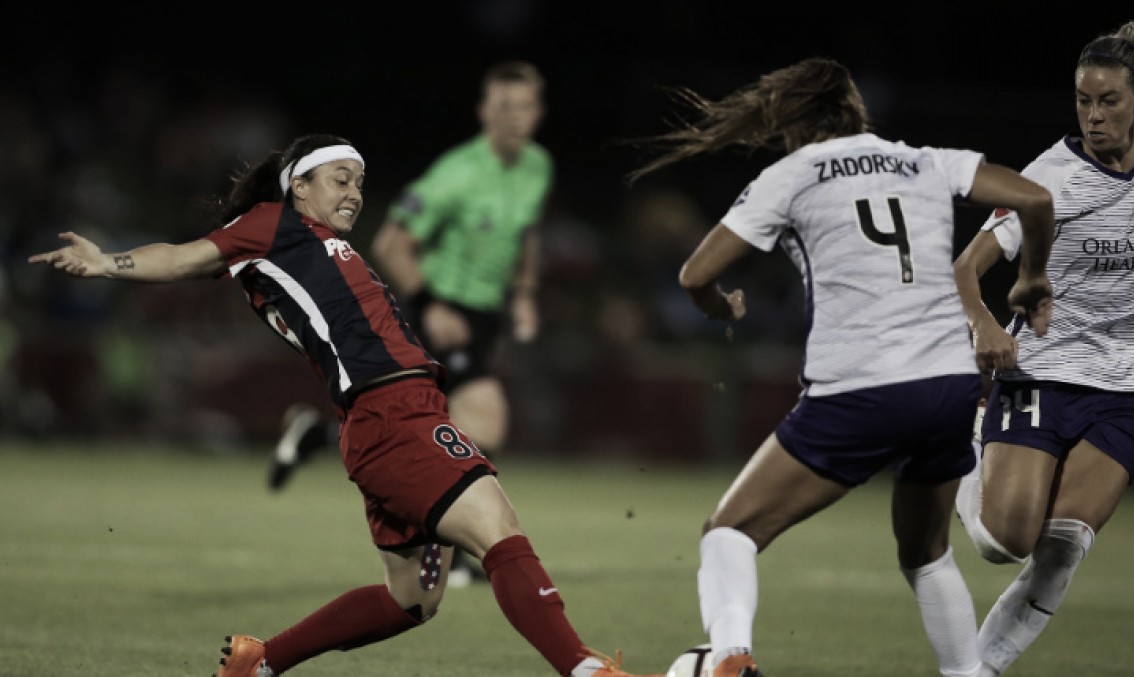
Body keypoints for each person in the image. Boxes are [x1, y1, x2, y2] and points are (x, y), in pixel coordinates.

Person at [28, 134, 658, 677]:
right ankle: (583, 667)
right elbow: (186, 257)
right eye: (340, 178)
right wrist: (108, 264)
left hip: (384, 421)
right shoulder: (277, 225)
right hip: (394, 414)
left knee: (412, 599)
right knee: (499, 530)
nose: (354, 190)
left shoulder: (315, 242)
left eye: (359, 180)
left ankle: (261, 661)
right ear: (298, 187)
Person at [628, 57, 1055, 677]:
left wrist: (721, 308)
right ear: (855, 111)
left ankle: (728, 658)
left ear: (794, 122)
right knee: (927, 554)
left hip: (860, 389)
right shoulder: (925, 159)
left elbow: (695, 274)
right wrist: (1031, 276)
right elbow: (1036, 197)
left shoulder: (792, 174)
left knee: (729, 531)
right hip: (947, 387)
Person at [952, 20, 1134, 676]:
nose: (1093, 116)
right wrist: (984, 325)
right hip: (1039, 377)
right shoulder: (1048, 180)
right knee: (1002, 543)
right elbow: (967, 267)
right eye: (1083, 101)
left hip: (1118, 392)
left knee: (1061, 548)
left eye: (1109, 101)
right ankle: (973, 434)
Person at [268, 62, 552, 588]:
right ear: (485, 112)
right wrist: (431, 304)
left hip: (485, 318)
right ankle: (462, 550)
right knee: (483, 424)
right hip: (441, 308)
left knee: (446, 430)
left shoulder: (537, 166)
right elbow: (391, 243)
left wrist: (526, 294)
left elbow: (529, 229)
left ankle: (319, 439)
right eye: (505, 106)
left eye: (527, 105)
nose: (517, 117)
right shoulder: (456, 174)